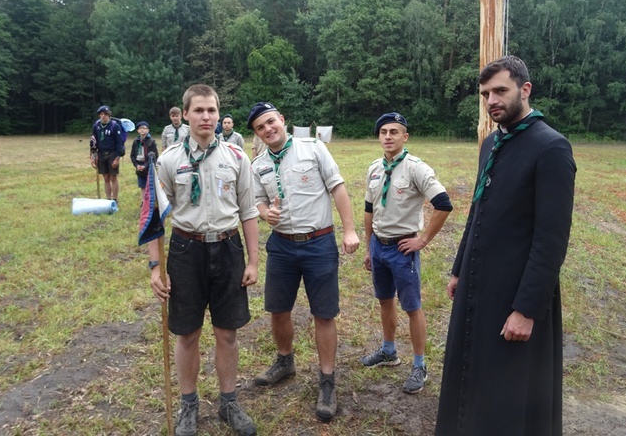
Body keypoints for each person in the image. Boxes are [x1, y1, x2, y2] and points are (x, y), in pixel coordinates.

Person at [435, 56, 576, 436]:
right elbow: (477, 210)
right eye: (485, 94)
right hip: (479, 282)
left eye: (500, 91)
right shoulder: (491, 142)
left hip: (516, 290)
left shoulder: (551, 148)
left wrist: (527, 309)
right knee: (473, 370)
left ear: (525, 90)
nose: (491, 100)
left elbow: (552, 238)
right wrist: (459, 268)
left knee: (510, 389)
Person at [150, 84, 260, 436]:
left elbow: (249, 211)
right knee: (187, 334)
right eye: (199, 110)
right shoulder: (167, 161)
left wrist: (254, 260)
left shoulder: (236, 157)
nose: (206, 117)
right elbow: (154, 217)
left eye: (212, 110)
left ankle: (229, 402)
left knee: (227, 333)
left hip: (228, 249)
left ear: (219, 113)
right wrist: (156, 267)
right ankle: (189, 405)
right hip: (186, 251)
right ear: (185, 114)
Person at [247, 101, 360, 423]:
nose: (268, 130)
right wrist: (264, 211)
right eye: (260, 128)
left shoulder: (313, 149)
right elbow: (257, 201)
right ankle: (285, 361)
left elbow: (337, 187)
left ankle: (327, 380)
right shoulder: (258, 165)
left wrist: (349, 231)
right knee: (278, 309)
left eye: (271, 122)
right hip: (281, 246)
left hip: (319, 243)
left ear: (282, 120)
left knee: (323, 314)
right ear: (256, 133)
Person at [360, 112, 452, 394]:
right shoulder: (375, 168)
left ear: (405, 137)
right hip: (379, 246)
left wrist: (422, 240)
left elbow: (444, 203)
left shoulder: (416, 169)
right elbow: (368, 210)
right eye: (383, 132)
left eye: (394, 132)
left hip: (403, 249)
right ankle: (389, 351)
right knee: (384, 300)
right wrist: (368, 247)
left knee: (412, 307)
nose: (388, 137)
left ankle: (419, 365)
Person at [90, 105, 125, 202]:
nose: (103, 116)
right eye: (101, 114)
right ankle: (108, 199)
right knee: (106, 177)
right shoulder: (96, 126)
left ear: (109, 115)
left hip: (113, 153)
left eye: (105, 114)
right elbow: (93, 141)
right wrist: (93, 156)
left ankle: (115, 199)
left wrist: (117, 158)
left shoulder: (115, 126)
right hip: (101, 154)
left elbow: (119, 143)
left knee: (113, 177)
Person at [130, 121, 158, 202]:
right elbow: (132, 155)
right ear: (138, 130)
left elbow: (154, 156)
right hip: (139, 165)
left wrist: (146, 166)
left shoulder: (152, 141)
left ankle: (152, 201)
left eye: (144, 128)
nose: (142, 130)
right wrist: (136, 165)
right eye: (140, 128)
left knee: (151, 185)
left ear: (148, 130)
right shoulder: (136, 141)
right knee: (142, 185)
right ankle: (143, 201)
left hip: (149, 166)